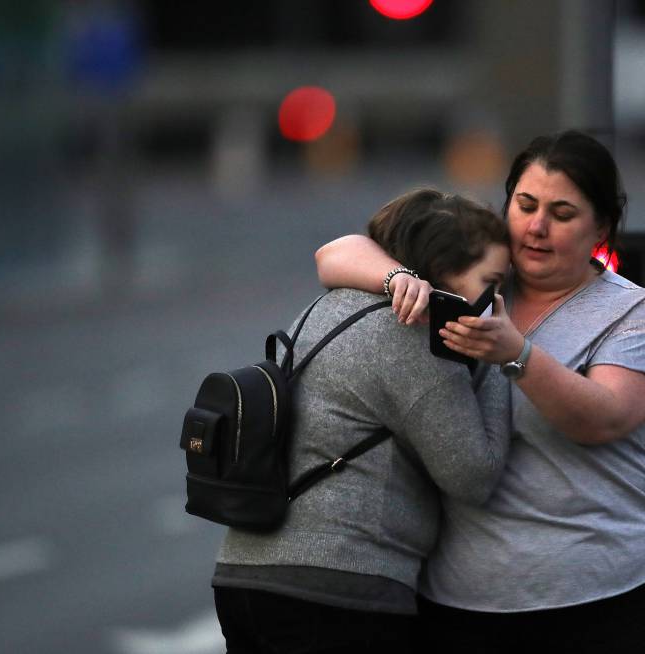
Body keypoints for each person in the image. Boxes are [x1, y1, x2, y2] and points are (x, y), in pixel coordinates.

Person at [314, 130, 645, 653]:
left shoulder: (632, 312)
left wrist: (518, 354)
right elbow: (337, 253)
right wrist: (397, 277)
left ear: (600, 227)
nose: (537, 227)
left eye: (562, 213)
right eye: (526, 204)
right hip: (461, 603)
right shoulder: (474, 278)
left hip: (603, 595)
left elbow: (604, 418)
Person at [212, 188, 513, 654]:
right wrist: (497, 359)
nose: (496, 301)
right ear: (443, 273)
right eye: (491, 283)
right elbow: (474, 474)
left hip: (244, 575)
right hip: (336, 591)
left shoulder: (326, 307)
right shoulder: (411, 339)